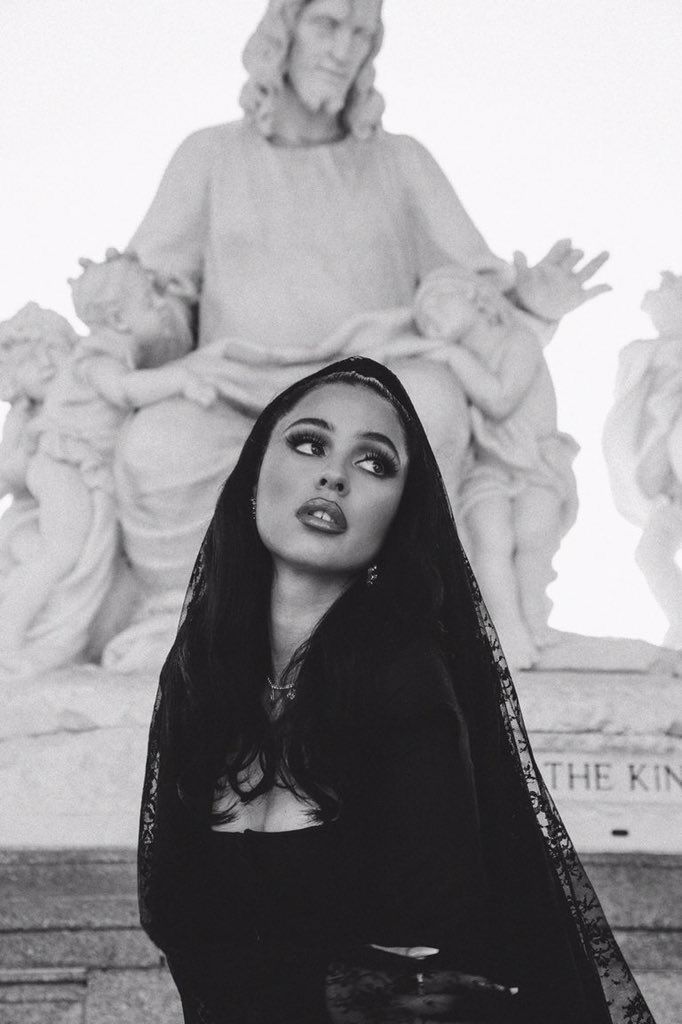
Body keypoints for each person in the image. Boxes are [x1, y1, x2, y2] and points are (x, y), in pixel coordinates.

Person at [69, 0, 609, 671]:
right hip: (238, 394)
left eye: (361, 33)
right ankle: (191, 617)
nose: (342, 49)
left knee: (430, 400)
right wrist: (137, 344)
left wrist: (534, 305)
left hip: (369, 387)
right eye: (326, 24)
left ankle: (395, 613)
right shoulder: (209, 156)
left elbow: (475, 302)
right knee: (156, 445)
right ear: (281, 35)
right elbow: (161, 302)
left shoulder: (402, 162)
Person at [138, 357, 654, 1024]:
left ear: (398, 521)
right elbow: (178, 919)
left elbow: (437, 953)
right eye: (309, 443)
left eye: (374, 463)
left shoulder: (403, 675)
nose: (334, 474)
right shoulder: (198, 676)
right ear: (251, 479)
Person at [414, 263, 579, 667]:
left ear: (474, 297)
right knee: (490, 538)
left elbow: (501, 399)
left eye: (437, 301)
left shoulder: (518, 341)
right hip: (489, 469)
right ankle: (504, 631)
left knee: (531, 538)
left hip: (535, 465)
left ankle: (535, 626)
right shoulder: (456, 362)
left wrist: (454, 357)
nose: (428, 315)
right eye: (419, 315)